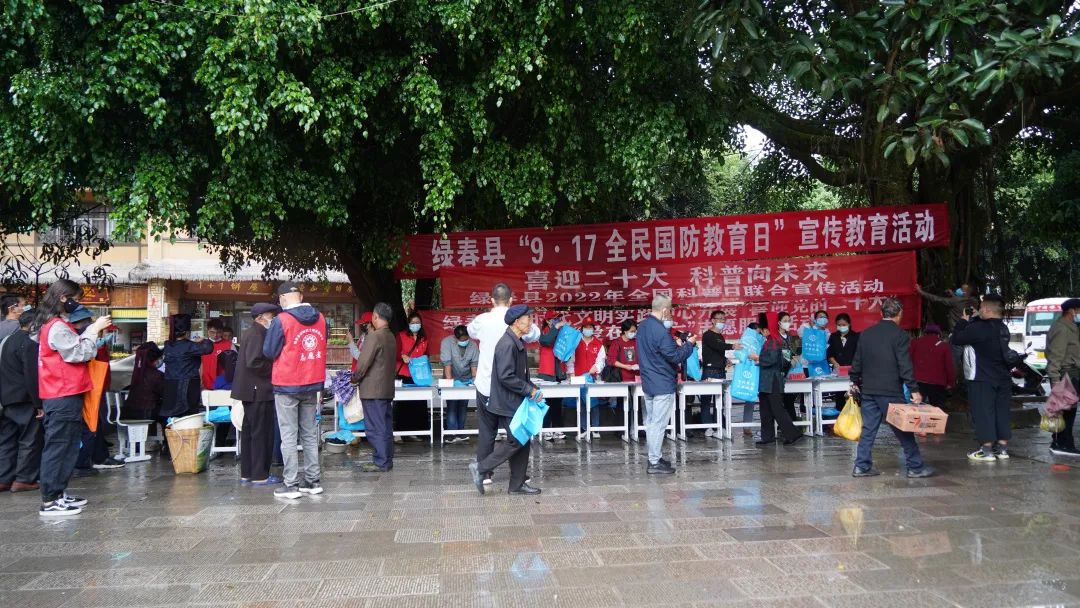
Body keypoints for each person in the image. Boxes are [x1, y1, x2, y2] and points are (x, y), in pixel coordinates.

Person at [34, 279, 112, 516]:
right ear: (62, 298)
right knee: (59, 446)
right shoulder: (56, 326)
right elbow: (79, 353)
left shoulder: (53, 323)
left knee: (67, 446)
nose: (77, 304)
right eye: (75, 299)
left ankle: (58, 493)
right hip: (62, 393)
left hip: (64, 392)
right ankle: (50, 500)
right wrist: (93, 330)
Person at [849, 297, 934, 478]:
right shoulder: (900, 335)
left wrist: (854, 381)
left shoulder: (866, 334)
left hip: (868, 390)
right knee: (903, 429)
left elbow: (857, 361)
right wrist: (913, 389)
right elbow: (904, 364)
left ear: (881, 313)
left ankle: (861, 466)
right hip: (890, 391)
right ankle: (915, 467)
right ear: (900, 314)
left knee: (868, 429)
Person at [468, 283, 540, 486]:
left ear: (491, 300)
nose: (528, 323)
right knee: (517, 433)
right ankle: (510, 475)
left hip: (485, 384)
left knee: (487, 431)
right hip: (509, 387)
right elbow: (535, 334)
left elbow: (470, 331)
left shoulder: (482, 320)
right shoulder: (519, 324)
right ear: (511, 300)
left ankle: (486, 474)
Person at [263, 282, 328, 499]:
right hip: (312, 382)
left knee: (289, 435)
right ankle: (312, 481)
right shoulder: (321, 319)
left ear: (282, 299)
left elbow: (269, 351)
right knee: (309, 433)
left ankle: (290, 484)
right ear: (300, 296)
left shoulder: (281, 320)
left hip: (287, 384)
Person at [635, 295, 696, 474]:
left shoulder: (642, 327)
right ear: (664, 310)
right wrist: (689, 345)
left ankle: (655, 457)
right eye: (670, 310)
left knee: (652, 422)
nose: (670, 314)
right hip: (662, 382)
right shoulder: (661, 331)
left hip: (649, 381)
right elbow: (675, 357)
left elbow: (656, 353)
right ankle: (654, 462)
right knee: (658, 424)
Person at [951, 295, 1016, 461]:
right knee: (1002, 411)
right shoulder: (1003, 328)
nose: (979, 311)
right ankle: (1002, 449)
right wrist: (976, 319)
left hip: (982, 377)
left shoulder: (978, 328)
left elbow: (957, 339)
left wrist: (963, 321)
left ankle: (986, 450)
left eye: (981, 308)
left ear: (986, 309)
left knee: (983, 412)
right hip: (1003, 377)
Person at [69, 306, 125, 473]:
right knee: (90, 424)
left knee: (93, 423)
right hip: (87, 387)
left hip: (92, 387)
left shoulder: (82, 338)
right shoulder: (80, 339)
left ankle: (95, 457)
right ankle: (89, 460)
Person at [231, 303, 281, 485]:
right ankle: (260, 475)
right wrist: (275, 368)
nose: (273, 319)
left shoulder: (252, 333)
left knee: (250, 433)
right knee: (261, 433)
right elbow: (254, 362)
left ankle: (248, 473)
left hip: (252, 390)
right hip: (258, 390)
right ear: (260, 317)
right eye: (270, 316)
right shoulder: (257, 334)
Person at [0, 309, 43, 493]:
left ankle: (3, 478)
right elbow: (31, 375)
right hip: (24, 399)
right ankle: (24, 479)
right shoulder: (29, 344)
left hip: (7, 398)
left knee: (7, 440)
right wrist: (38, 404)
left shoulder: (6, 341)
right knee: (29, 439)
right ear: (34, 324)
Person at [353, 302, 397, 472]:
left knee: (375, 428)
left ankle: (381, 461)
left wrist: (354, 378)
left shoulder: (375, 336)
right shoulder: (390, 336)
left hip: (373, 390)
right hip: (386, 389)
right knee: (385, 426)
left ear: (375, 317)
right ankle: (386, 460)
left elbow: (363, 363)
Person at [756, 312, 804, 447]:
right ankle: (768, 437)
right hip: (768, 379)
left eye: (763, 329)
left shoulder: (776, 340)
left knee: (777, 408)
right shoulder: (772, 340)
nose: (762, 332)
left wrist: (757, 359)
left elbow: (773, 360)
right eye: (785, 320)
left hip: (773, 379)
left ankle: (792, 434)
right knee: (765, 409)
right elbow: (784, 360)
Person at [161, 314, 213, 422]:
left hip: (170, 387)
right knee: (188, 420)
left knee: (172, 421)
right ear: (187, 332)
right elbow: (208, 348)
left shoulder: (168, 345)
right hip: (188, 387)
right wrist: (203, 340)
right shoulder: (190, 346)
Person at [1046, 298, 1080, 456]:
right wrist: (1055, 379)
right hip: (1065, 374)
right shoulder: (1061, 328)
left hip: (1072, 373)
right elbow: (1055, 355)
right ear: (1072, 311)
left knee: (1068, 410)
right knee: (1066, 411)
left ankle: (1060, 442)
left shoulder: (1071, 327)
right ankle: (1063, 444)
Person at [440, 325, 479, 442]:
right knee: (452, 405)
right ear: (455, 338)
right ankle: (451, 433)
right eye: (462, 340)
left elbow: (474, 365)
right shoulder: (446, 343)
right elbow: (447, 364)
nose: (464, 341)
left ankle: (461, 432)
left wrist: (474, 380)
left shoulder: (473, 345)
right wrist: (450, 382)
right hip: (451, 378)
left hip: (466, 379)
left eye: (466, 339)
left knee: (463, 406)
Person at [394, 312, 429, 440]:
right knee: (404, 404)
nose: (415, 325)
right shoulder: (401, 335)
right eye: (413, 322)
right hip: (405, 373)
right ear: (408, 324)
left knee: (419, 403)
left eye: (417, 322)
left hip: (420, 375)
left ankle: (420, 432)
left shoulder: (424, 338)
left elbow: (427, 354)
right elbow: (394, 353)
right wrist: (402, 356)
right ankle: (402, 433)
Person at [573, 316, 607, 438]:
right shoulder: (575, 342)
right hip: (578, 378)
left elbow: (601, 361)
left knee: (594, 403)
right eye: (586, 327)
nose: (588, 329)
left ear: (593, 329)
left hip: (593, 378)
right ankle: (584, 428)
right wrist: (571, 374)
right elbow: (570, 360)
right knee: (582, 404)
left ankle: (595, 428)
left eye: (590, 327)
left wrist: (596, 367)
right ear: (582, 329)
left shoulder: (598, 344)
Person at [536, 311, 568, 441]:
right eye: (555, 319)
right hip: (547, 373)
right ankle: (546, 429)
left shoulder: (561, 332)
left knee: (558, 403)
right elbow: (546, 341)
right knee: (546, 402)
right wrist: (556, 327)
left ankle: (557, 428)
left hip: (559, 372)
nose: (558, 320)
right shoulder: (543, 332)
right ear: (548, 321)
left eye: (559, 318)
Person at [909, 324, 955, 409]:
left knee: (916, 409)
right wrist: (950, 382)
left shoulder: (915, 342)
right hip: (938, 383)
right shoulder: (944, 346)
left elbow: (909, 360)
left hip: (918, 382)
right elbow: (949, 366)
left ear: (925, 333)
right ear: (938, 334)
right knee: (937, 410)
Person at [700, 310, 729, 437]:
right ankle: (707, 427)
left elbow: (718, 352)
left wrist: (725, 360)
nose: (722, 321)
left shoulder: (720, 336)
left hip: (720, 371)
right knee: (706, 401)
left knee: (720, 401)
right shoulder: (708, 335)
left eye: (723, 319)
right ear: (712, 320)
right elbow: (718, 346)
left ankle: (720, 426)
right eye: (719, 318)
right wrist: (733, 346)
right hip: (710, 371)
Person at [825, 313, 860, 407]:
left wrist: (854, 366)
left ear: (849, 324)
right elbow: (829, 353)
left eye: (844, 324)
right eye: (839, 325)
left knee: (853, 398)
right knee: (840, 397)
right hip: (838, 372)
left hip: (853, 372)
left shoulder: (856, 336)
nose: (841, 327)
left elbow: (859, 354)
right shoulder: (833, 336)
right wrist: (835, 363)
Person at [124, 343, 164, 421]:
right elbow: (164, 393)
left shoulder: (137, 373)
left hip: (131, 412)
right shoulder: (156, 375)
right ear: (155, 359)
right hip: (148, 414)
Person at [201, 319, 234, 390]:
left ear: (222, 332)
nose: (215, 335)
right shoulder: (201, 345)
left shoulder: (229, 345)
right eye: (212, 332)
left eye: (218, 332)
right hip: (205, 383)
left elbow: (235, 365)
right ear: (207, 331)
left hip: (224, 384)